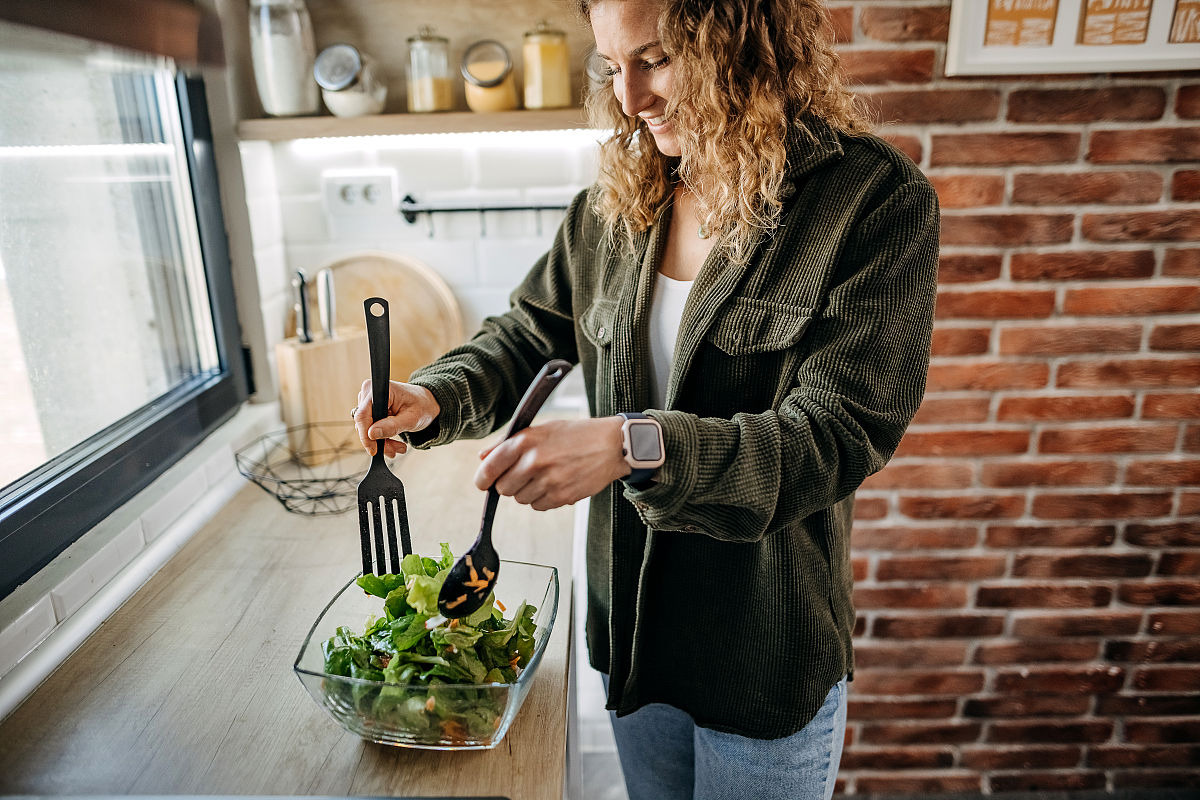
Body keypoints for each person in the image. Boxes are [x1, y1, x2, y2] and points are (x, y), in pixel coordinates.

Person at [353, 0, 940, 797]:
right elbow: (532, 331)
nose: (630, 99)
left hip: (760, 656)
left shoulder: (872, 202)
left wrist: (631, 444)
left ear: (746, 40)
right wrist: (434, 395)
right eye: (611, 68)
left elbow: (830, 439)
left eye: (658, 59)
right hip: (631, 640)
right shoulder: (622, 199)